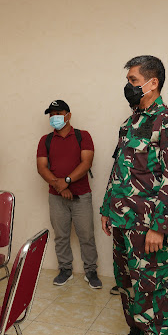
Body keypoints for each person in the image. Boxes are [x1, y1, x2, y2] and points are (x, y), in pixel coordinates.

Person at [100, 55, 168, 335]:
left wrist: (160, 227)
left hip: (148, 226)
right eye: (129, 81)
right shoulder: (131, 122)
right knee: (127, 284)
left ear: (153, 83)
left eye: (134, 81)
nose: (129, 87)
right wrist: (108, 208)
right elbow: (119, 169)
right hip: (123, 221)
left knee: (150, 288)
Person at [36, 100, 102, 289]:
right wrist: (61, 188)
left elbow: (86, 163)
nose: (54, 117)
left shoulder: (83, 136)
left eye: (58, 113)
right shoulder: (45, 140)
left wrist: (66, 181)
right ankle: (65, 269)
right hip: (56, 197)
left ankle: (91, 271)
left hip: (81, 196)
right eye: (51, 114)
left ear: (68, 115)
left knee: (87, 235)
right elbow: (41, 167)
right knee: (61, 236)